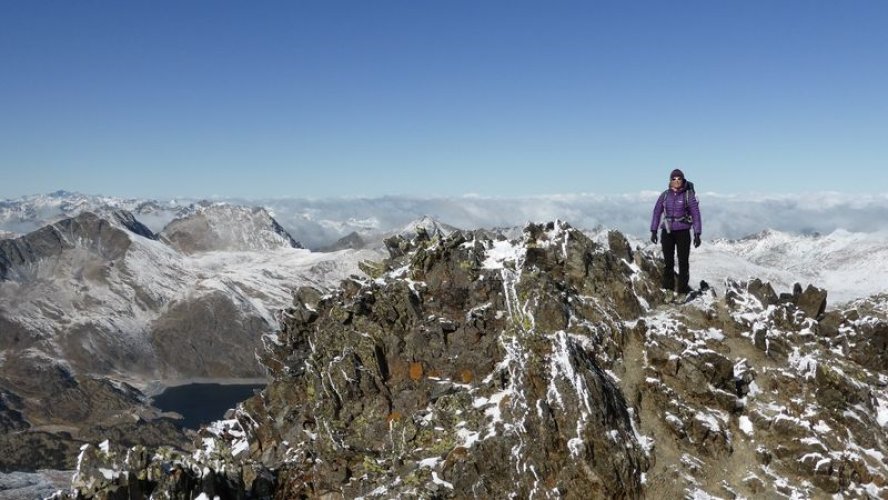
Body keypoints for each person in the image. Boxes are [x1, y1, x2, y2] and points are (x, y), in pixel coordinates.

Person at [650, 168, 702, 301]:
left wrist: (697, 233)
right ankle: (668, 290)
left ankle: (682, 293)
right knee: (668, 262)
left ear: (683, 180)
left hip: (683, 231)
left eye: (679, 179)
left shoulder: (688, 195)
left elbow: (696, 214)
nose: (677, 181)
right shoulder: (665, 195)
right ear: (670, 181)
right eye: (674, 179)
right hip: (667, 231)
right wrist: (654, 230)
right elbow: (657, 212)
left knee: (683, 262)